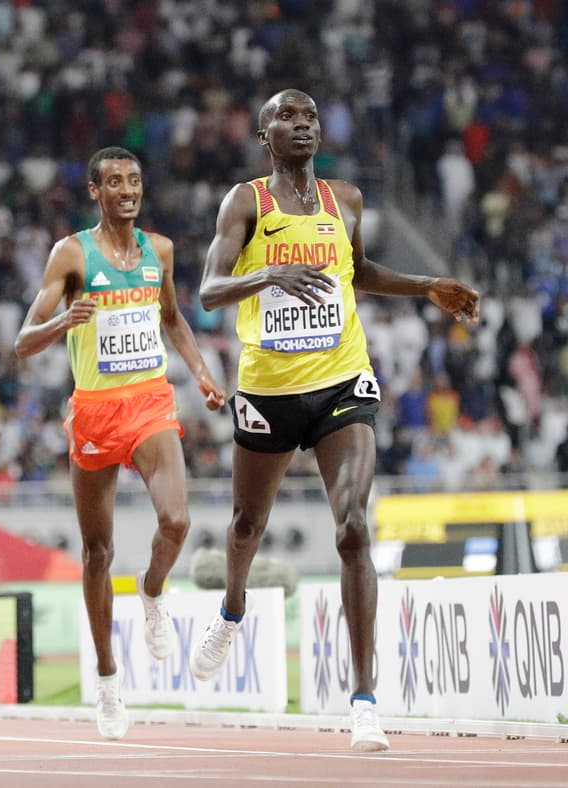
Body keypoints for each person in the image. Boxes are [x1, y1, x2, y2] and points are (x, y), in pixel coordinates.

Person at [192, 89, 480, 753]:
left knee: (353, 527)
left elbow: (357, 273)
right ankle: (233, 607)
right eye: (287, 118)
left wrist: (426, 286)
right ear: (266, 135)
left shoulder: (345, 199)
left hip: (342, 383)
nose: (302, 125)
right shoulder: (246, 203)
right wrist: (270, 275)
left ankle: (364, 699)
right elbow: (209, 290)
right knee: (246, 524)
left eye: (310, 116)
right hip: (267, 390)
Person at [14, 147, 227, 740]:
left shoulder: (160, 250)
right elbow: (23, 341)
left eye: (133, 179)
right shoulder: (71, 253)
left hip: (150, 401)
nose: (126, 189)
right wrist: (64, 321)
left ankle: (153, 589)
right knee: (97, 553)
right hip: (94, 413)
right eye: (113, 181)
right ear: (94, 191)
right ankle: (108, 681)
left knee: (177, 521)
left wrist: (202, 371)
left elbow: (173, 319)